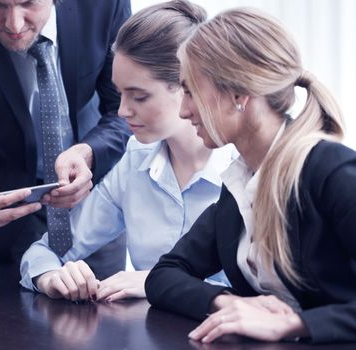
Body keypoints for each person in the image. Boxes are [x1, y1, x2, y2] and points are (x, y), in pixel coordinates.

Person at [145, 7, 356, 344]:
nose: (184, 111)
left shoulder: (331, 172)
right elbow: (163, 275)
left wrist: (297, 324)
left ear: (239, 95)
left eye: (189, 91)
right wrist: (228, 303)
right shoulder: (239, 185)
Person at [20, 0, 236, 302]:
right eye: (120, 94)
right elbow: (43, 252)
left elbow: (273, 297)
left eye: (139, 96)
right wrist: (51, 277)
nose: (121, 111)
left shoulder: (247, 168)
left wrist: (159, 282)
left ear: (189, 86)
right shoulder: (134, 161)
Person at [0, 0, 131, 274]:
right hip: (11, 221)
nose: (14, 24)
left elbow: (124, 109)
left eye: (27, 3)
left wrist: (89, 153)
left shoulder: (103, 6)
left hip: (97, 199)